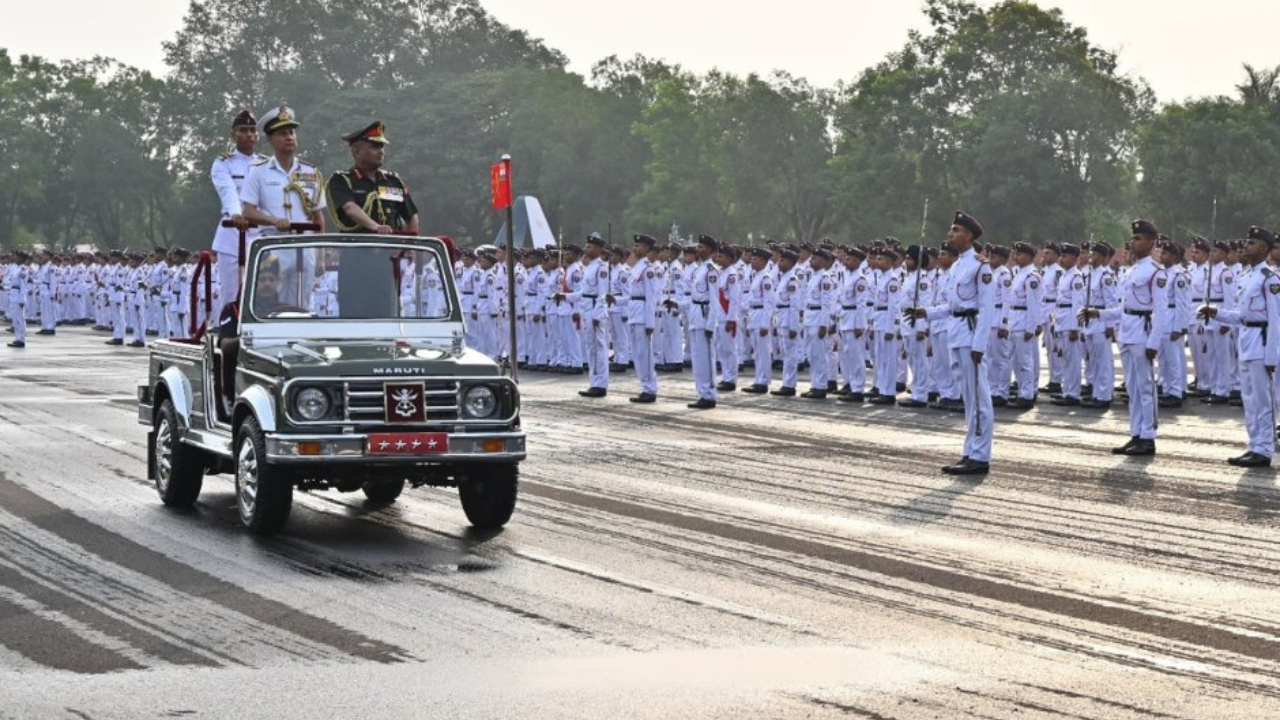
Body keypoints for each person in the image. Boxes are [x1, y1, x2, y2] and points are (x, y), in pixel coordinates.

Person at [908, 211, 996, 475]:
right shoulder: (957, 266)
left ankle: (980, 456)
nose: (950, 234)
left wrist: (980, 345)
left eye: (955, 230)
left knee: (979, 397)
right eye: (950, 230)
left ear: (969, 236)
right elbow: (953, 305)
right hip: (957, 333)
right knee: (968, 397)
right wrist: (927, 312)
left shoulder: (981, 266)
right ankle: (970, 450)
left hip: (971, 335)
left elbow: (986, 308)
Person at [1083, 220, 1171, 456]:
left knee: (1145, 386)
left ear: (1151, 242)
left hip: (1143, 331)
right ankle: (1136, 433)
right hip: (1127, 330)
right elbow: (1123, 308)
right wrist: (1098, 313)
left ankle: (1148, 437)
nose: (1133, 242)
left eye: (1139, 238)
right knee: (1132, 387)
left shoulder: (1156, 272)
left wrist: (1153, 342)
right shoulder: (1130, 271)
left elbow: (1161, 311)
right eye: (1133, 238)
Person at [1197, 226, 1280, 467]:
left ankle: (1264, 449)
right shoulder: (1246, 276)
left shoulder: (1270, 279)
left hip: (1262, 343)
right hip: (1246, 339)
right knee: (1250, 398)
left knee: (1263, 399)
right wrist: (1216, 313)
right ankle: (1254, 445)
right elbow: (1242, 315)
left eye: (1251, 243)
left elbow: (1275, 320)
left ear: (1264, 249)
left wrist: (1272, 357)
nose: (1245, 245)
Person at [241, 106, 326, 308]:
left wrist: (320, 255)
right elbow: (248, 211)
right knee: (271, 304)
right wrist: (273, 220)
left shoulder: (311, 172)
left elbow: (318, 217)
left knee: (302, 304)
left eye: (292, 132)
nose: (289, 137)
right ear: (270, 140)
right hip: (273, 247)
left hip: (304, 248)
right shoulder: (258, 172)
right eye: (282, 133)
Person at [210, 109, 267, 319]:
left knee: (262, 290)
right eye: (243, 130)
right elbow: (228, 191)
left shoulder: (266, 164)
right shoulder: (223, 163)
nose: (249, 135)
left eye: (253, 130)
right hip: (233, 233)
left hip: (261, 231)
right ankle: (227, 332)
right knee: (231, 292)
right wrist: (236, 214)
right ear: (233, 134)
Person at [563, 232, 611, 397]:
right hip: (586, 308)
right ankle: (594, 382)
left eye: (589, 247)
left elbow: (603, 294)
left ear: (598, 249)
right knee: (590, 348)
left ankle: (600, 384)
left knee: (598, 348)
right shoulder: (589, 267)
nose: (586, 249)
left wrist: (598, 315)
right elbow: (582, 293)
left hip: (595, 310)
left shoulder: (601, 267)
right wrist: (565, 296)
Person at [686, 234, 721, 408]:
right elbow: (694, 297)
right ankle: (702, 392)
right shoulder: (700, 269)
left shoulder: (711, 270)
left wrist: (711, 324)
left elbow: (715, 300)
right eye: (698, 246)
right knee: (698, 359)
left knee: (706, 358)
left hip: (705, 316)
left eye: (702, 247)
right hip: (695, 315)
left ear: (710, 250)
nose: (698, 249)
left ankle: (709, 394)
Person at [5, 251, 29, 348]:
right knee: (15, 319)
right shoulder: (16, 269)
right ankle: (17, 338)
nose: (15, 258)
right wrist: (4, 287)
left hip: (18, 296)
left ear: (22, 259)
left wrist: (22, 300)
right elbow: (13, 284)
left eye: (17, 257)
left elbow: (23, 286)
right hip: (13, 295)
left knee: (19, 319)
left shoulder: (22, 269)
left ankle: (21, 339)